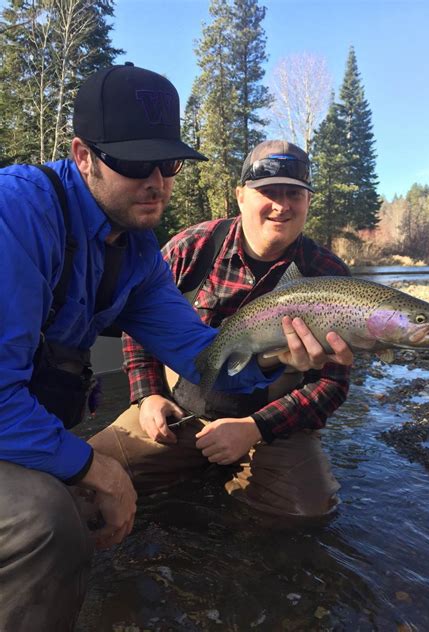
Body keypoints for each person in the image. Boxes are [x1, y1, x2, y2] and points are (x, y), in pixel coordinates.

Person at [0, 65, 331, 631]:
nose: (155, 180)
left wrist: (279, 358)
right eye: (133, 162)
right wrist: (94, 468)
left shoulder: (134, 253)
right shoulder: (17, 215)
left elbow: (206, 358)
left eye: (168, 163)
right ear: (83, 155)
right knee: (47, 518)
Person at [90, 139, 353, 523]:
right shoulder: (190, 247)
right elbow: (138, 320)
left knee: (308, 515)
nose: (282, 206)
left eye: (294, 194)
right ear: (241, 195)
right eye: (268, 192)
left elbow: (332, 385)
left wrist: (253, 428)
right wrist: (147, 396)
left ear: (308, 201)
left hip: (270, 428)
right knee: (85, 481)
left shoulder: (328, 275)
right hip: (177, 413)